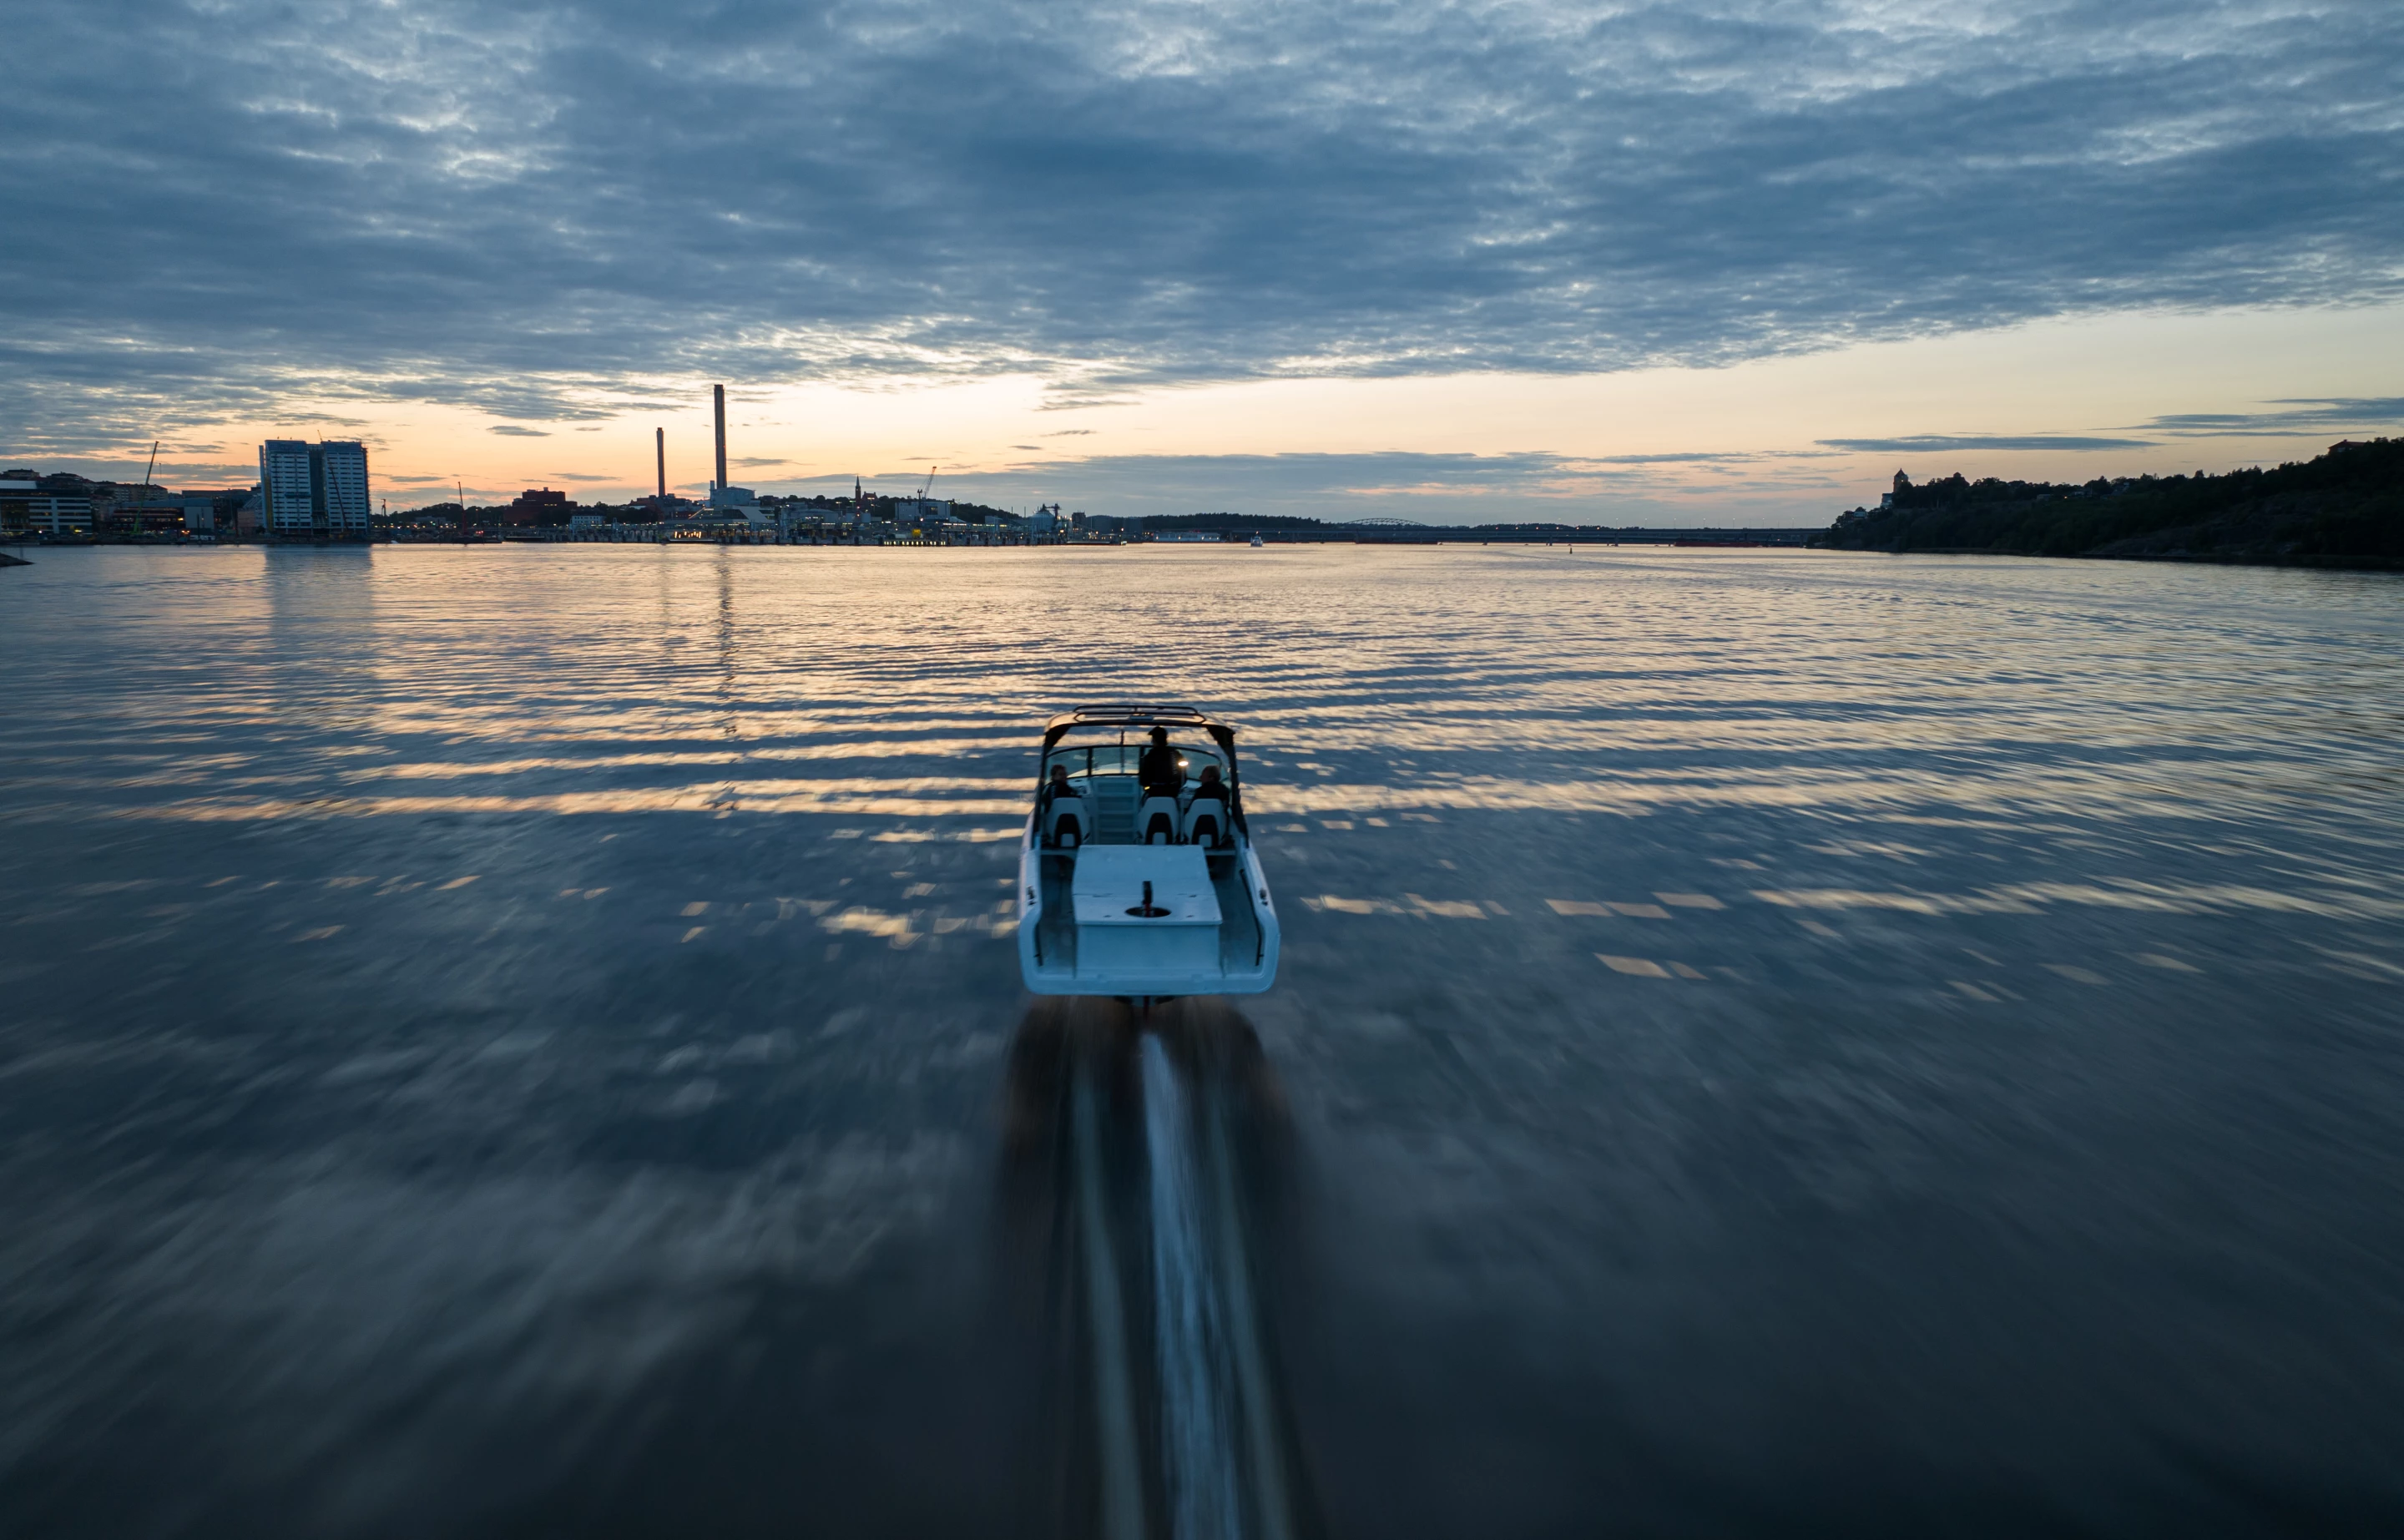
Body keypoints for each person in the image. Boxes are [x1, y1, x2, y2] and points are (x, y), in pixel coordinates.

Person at [1138, 726, 1184, 800]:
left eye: (1153, 739)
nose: (1152, 741)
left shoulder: (1150, 756)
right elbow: (1183, 777)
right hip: (1172, 794)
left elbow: (1143, 780)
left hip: (1154, 794)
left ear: (1154, 740)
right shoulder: (1175, 754)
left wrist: (1148, 787)